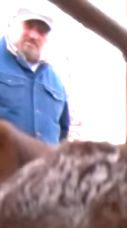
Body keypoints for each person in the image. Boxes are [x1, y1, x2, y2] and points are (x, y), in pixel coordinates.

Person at [0, 5, 69, 145]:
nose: (33, 35)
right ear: (12, 24)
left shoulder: (56, 84)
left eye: (41, 31)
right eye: (28, 25)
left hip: (46, 166)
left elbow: (63, 133)